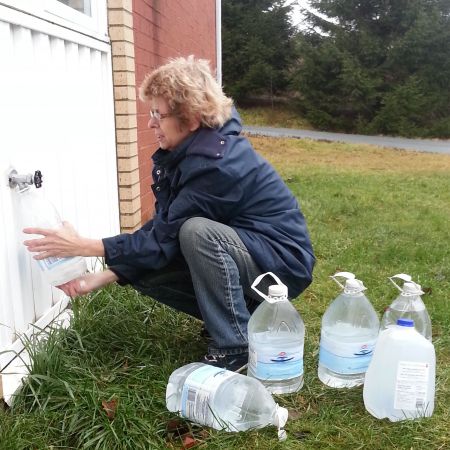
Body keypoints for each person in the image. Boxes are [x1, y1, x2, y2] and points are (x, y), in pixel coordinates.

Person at [23, 56, 315, 372]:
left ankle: (236, 347)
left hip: (282, 265)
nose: (150, 124)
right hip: (251, 251)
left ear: (190, 119)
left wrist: (83, 246)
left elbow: (167, 237)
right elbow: (164, 231)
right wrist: (101, 277)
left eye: (157, 114)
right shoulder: (190, 151)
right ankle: (241, 316)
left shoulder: (217, 164)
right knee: (145, 266)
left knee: (197, 233)